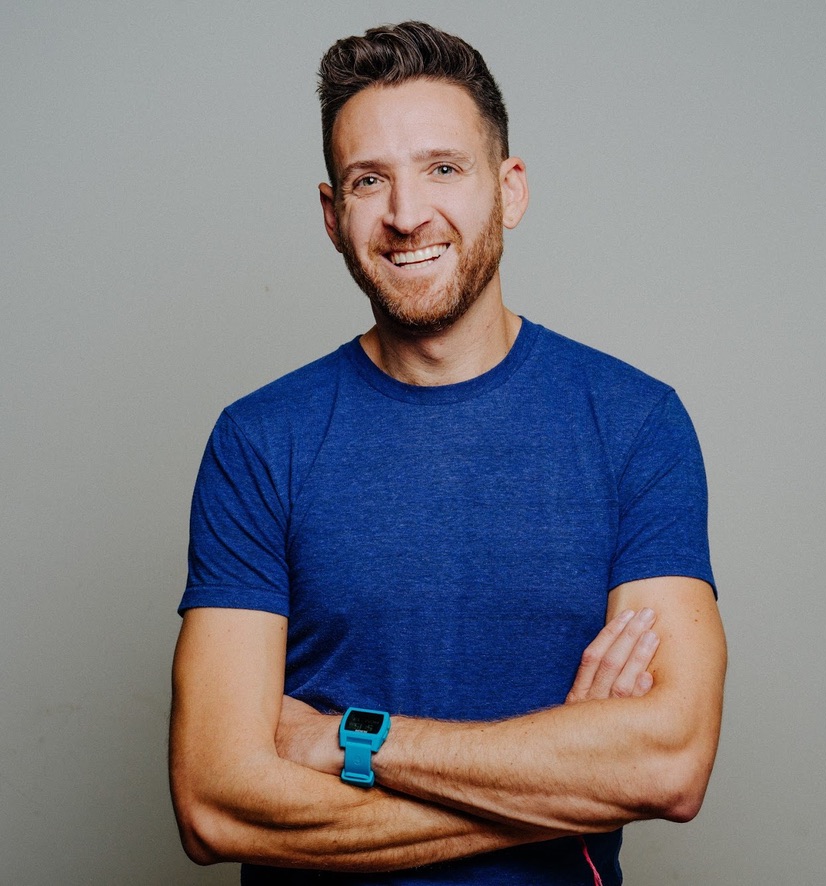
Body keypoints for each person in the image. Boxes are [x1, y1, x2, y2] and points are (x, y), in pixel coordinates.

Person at [170, 21, 727, 886]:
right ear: (331, 214)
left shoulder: (634, 423)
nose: (404, 213)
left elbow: (669, 763)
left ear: (509, 190)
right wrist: (562, 786)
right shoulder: (259, 440)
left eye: (442, 168)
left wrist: (344, 738)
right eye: (368, 180)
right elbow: (214, 803)